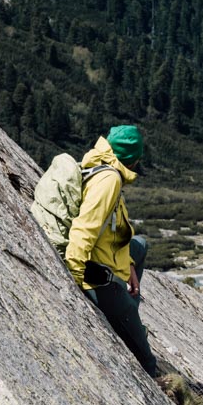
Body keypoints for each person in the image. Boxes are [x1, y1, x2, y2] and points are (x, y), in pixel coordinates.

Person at [66, 125, 158, 377]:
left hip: (108, 262)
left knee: (139, 245)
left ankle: (128, 311)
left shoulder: (99, 166)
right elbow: (84, 229)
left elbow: (116, 231)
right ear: (132, 159)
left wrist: (128, 264)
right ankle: (125, 316)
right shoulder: (110, 181)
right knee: (148, 363)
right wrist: (71, 284)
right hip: (99, 281)